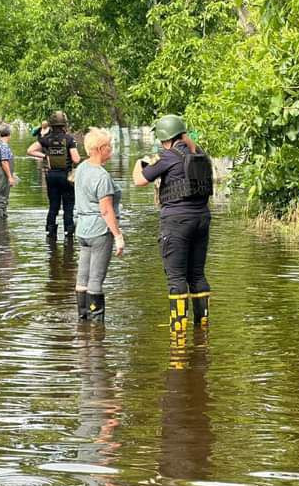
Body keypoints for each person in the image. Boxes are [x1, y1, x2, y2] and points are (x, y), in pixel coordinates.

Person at [132, 114, 213, 333]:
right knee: (197, 275)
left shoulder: (167, 156)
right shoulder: (201, 154)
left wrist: (139, 163)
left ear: (164, 137)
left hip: (176, 222)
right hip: (202, 219)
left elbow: (139, 180)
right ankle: (202, 329)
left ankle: (178, 334)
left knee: (176, 278)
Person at [74, 128, 124, 322]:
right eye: (109, 147)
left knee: (82, 278)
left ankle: (82, 322)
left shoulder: (81, 169)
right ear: (101, 148)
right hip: (99, 232)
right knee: (95, 280)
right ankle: (96, 328)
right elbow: (106, 210)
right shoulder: (102, 176)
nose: (111, 150)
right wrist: (118, 236)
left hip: (83, 230)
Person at [26, 110, 81, 238]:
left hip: (51, 177)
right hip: (66, 177)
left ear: (51, 125)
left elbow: (30, 150)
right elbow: (76, 159)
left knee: (53, 206)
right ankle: (68, 232)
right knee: (68, 206)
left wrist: (46, 156)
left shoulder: (46, 139)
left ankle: (50, 233)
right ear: (64, 125)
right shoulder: (69, 139)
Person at [0, 124, 16, 218]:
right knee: (1, 202)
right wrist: (10, 177)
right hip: (3, 179)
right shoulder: (5, 146)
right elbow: (4, 162)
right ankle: (0, 228)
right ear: (9, 134)